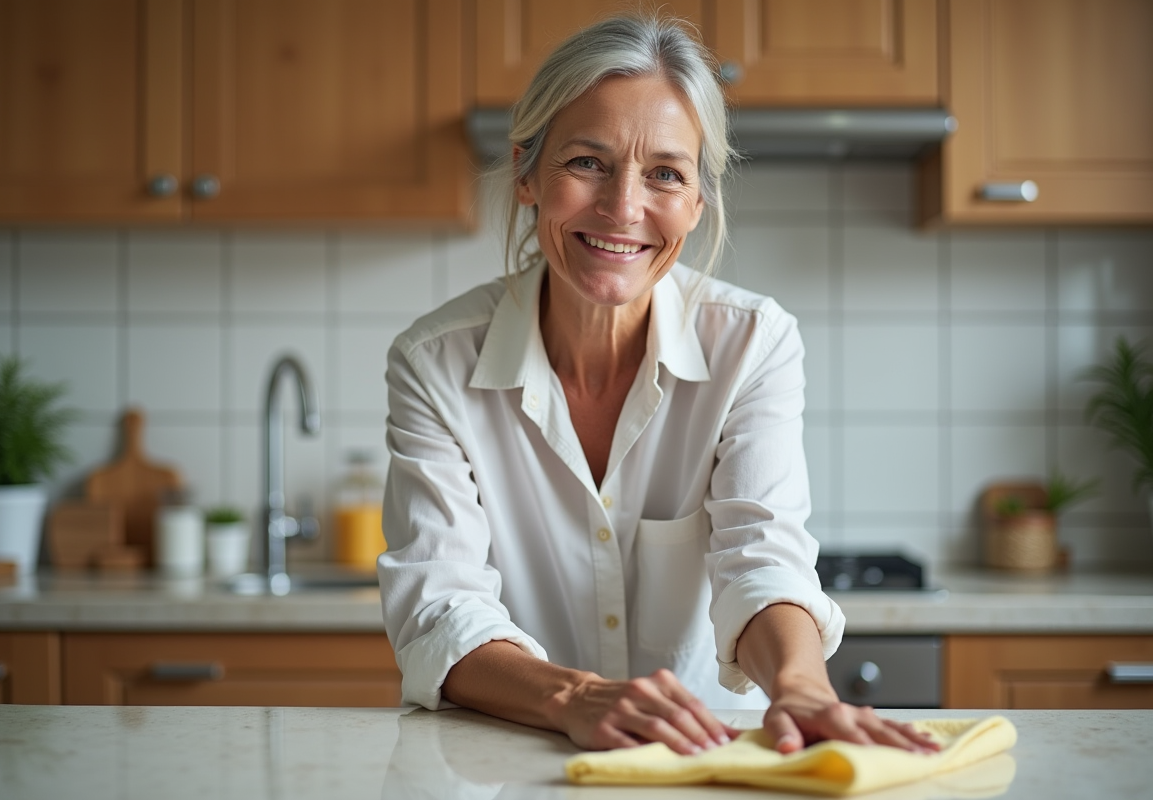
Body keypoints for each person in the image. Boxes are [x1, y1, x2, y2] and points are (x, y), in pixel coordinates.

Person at [378, 14, 937, 757]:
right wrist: (574, 697)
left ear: (697, 203)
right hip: (510, 762)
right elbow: (439, 606)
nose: (623, 208)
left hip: (706, 759)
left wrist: (802, 688)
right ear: (526, 174)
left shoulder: (753, 344)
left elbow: (761, 557)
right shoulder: (434, 363)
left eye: (666, 174)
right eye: (587, 162)